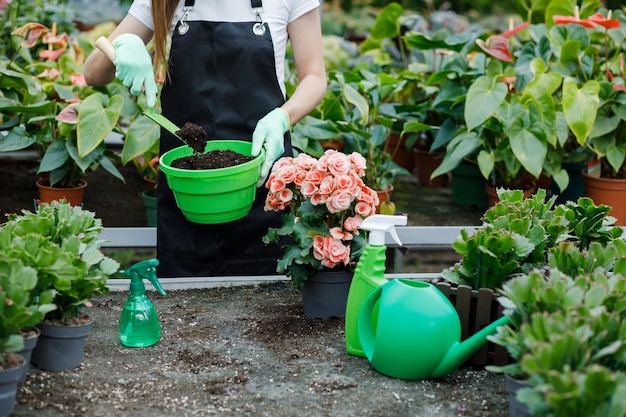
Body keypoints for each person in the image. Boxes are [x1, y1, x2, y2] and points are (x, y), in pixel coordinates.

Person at [83, 0, 326, 277]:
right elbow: (92, 73)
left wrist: (282, 117)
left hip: (264, 189)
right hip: (188, 199)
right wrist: (125, 44)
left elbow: (315, 77)